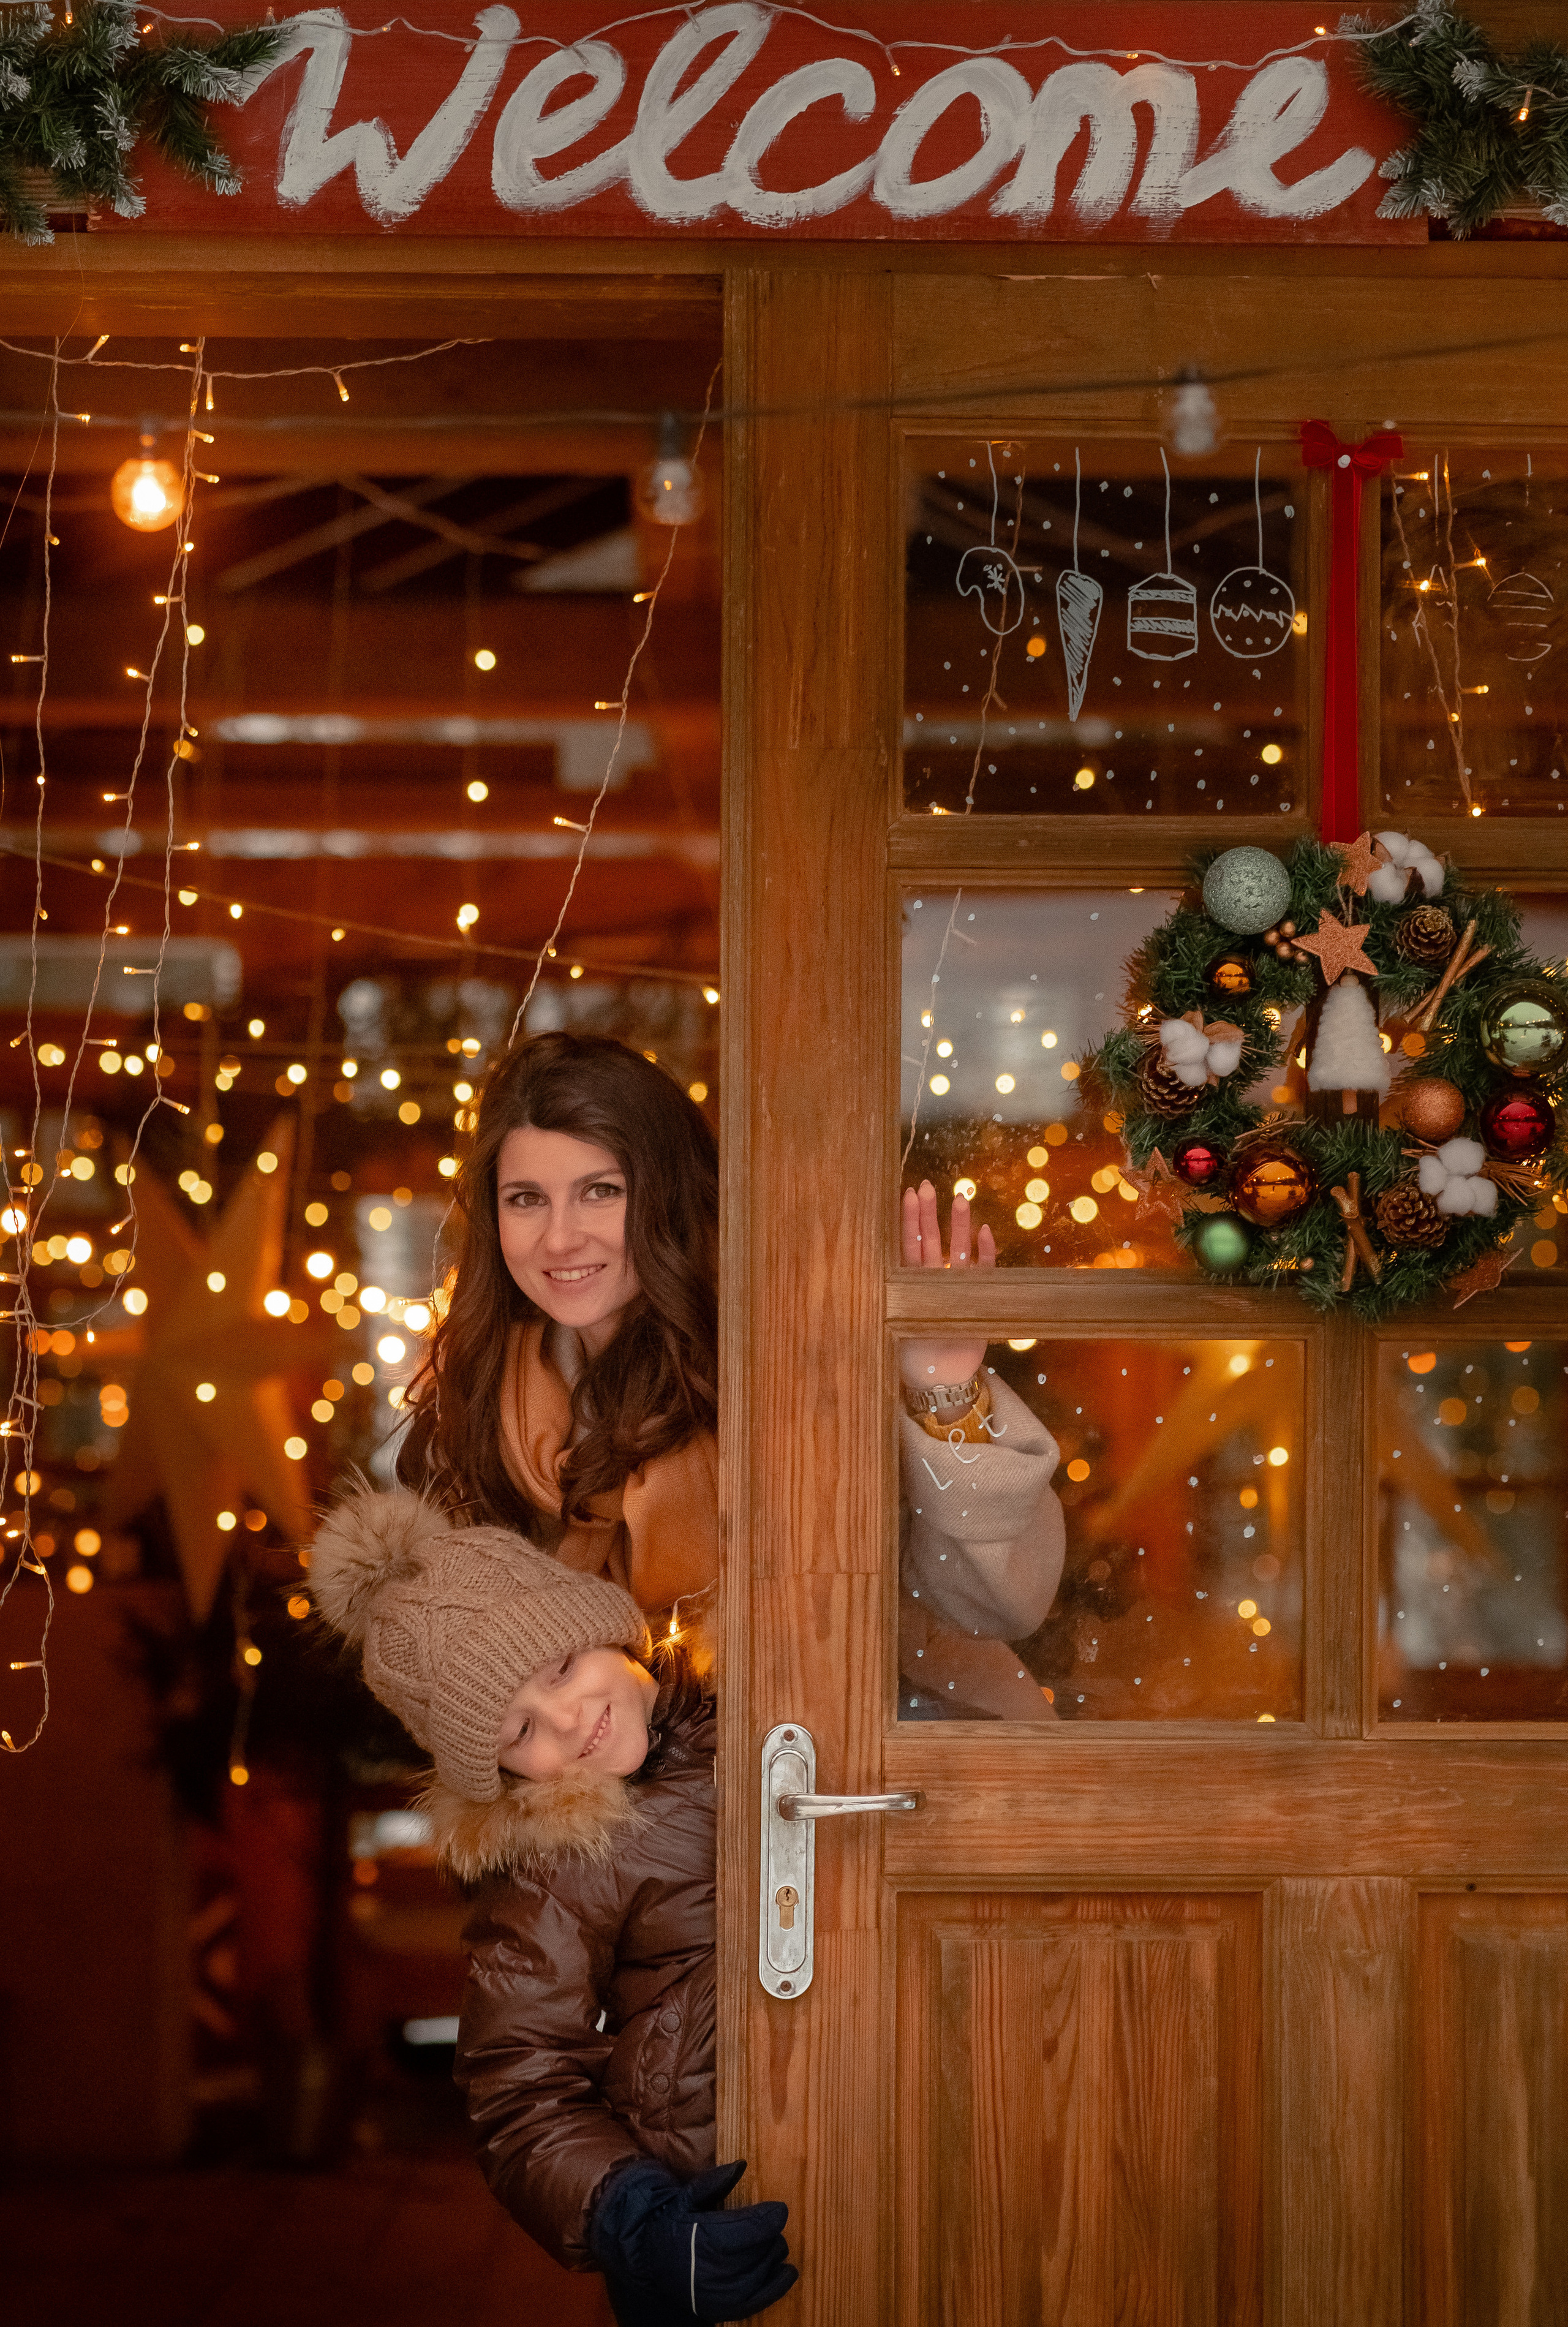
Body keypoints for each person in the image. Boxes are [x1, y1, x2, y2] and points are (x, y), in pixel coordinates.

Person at [398, 1032, 1064, 1716]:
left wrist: (939, 1385)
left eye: (600, 1191)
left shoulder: (789, 1350)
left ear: (667, 1192)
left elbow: (1002, 1601)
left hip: (871, 1765)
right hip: (645, 1811)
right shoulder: (482, 1397)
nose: (560, 1237)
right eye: (526, 1199)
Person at [311, 1480, 796, 2327]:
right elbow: (518, 2083)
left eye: (562, 1667)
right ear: (503, 1776)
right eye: (520, 1732)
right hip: (701, 2216)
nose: (569, 1719)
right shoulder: (558, 1863)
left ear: (602, 1625)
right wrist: (634, 2217)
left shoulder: (774, 1709)